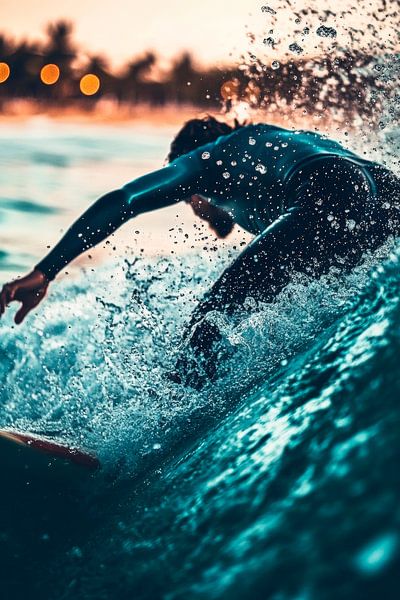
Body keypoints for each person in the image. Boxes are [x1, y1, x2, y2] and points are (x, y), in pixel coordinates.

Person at [1, 116, 399, 386]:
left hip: (327, 188)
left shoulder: (209, 159)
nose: (195, 208)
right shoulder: (267, 147)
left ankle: (168, 414)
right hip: (384, 194)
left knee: (207, 323)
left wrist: (46, 271)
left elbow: (124, 200)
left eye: (189, 198)